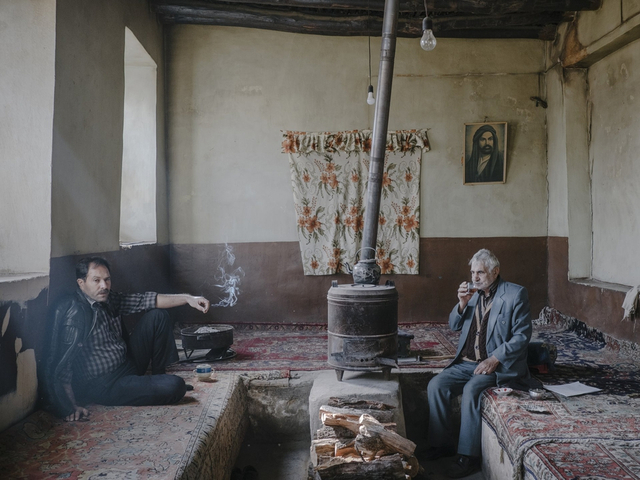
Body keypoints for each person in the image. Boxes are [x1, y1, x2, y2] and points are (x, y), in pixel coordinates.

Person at [43, 256, 211, 422]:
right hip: (106, 384)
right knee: (176, 386)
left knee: (157, 316)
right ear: (81, 283)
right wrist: (69, 406)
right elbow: (63, 365)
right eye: (96, 280)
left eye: (107, 279)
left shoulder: (109, 299)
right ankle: (161, 385)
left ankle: (159, 377)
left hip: (127, 363)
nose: (104, 286)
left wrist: (189, 299)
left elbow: (147, 300)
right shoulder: (74, 315)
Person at [421, 249, 531, 478]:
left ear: (495, 271)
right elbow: (454, 325)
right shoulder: (472, 294)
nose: (475, 277)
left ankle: (468, 457)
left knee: (472, 389)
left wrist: (495, 359)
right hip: (467, 362)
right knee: (436, 385)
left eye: (480, 272)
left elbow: (522, 336)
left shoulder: (515, 294)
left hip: (497, 365)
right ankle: (442, 445)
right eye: (472, 272)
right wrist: (462, 303)